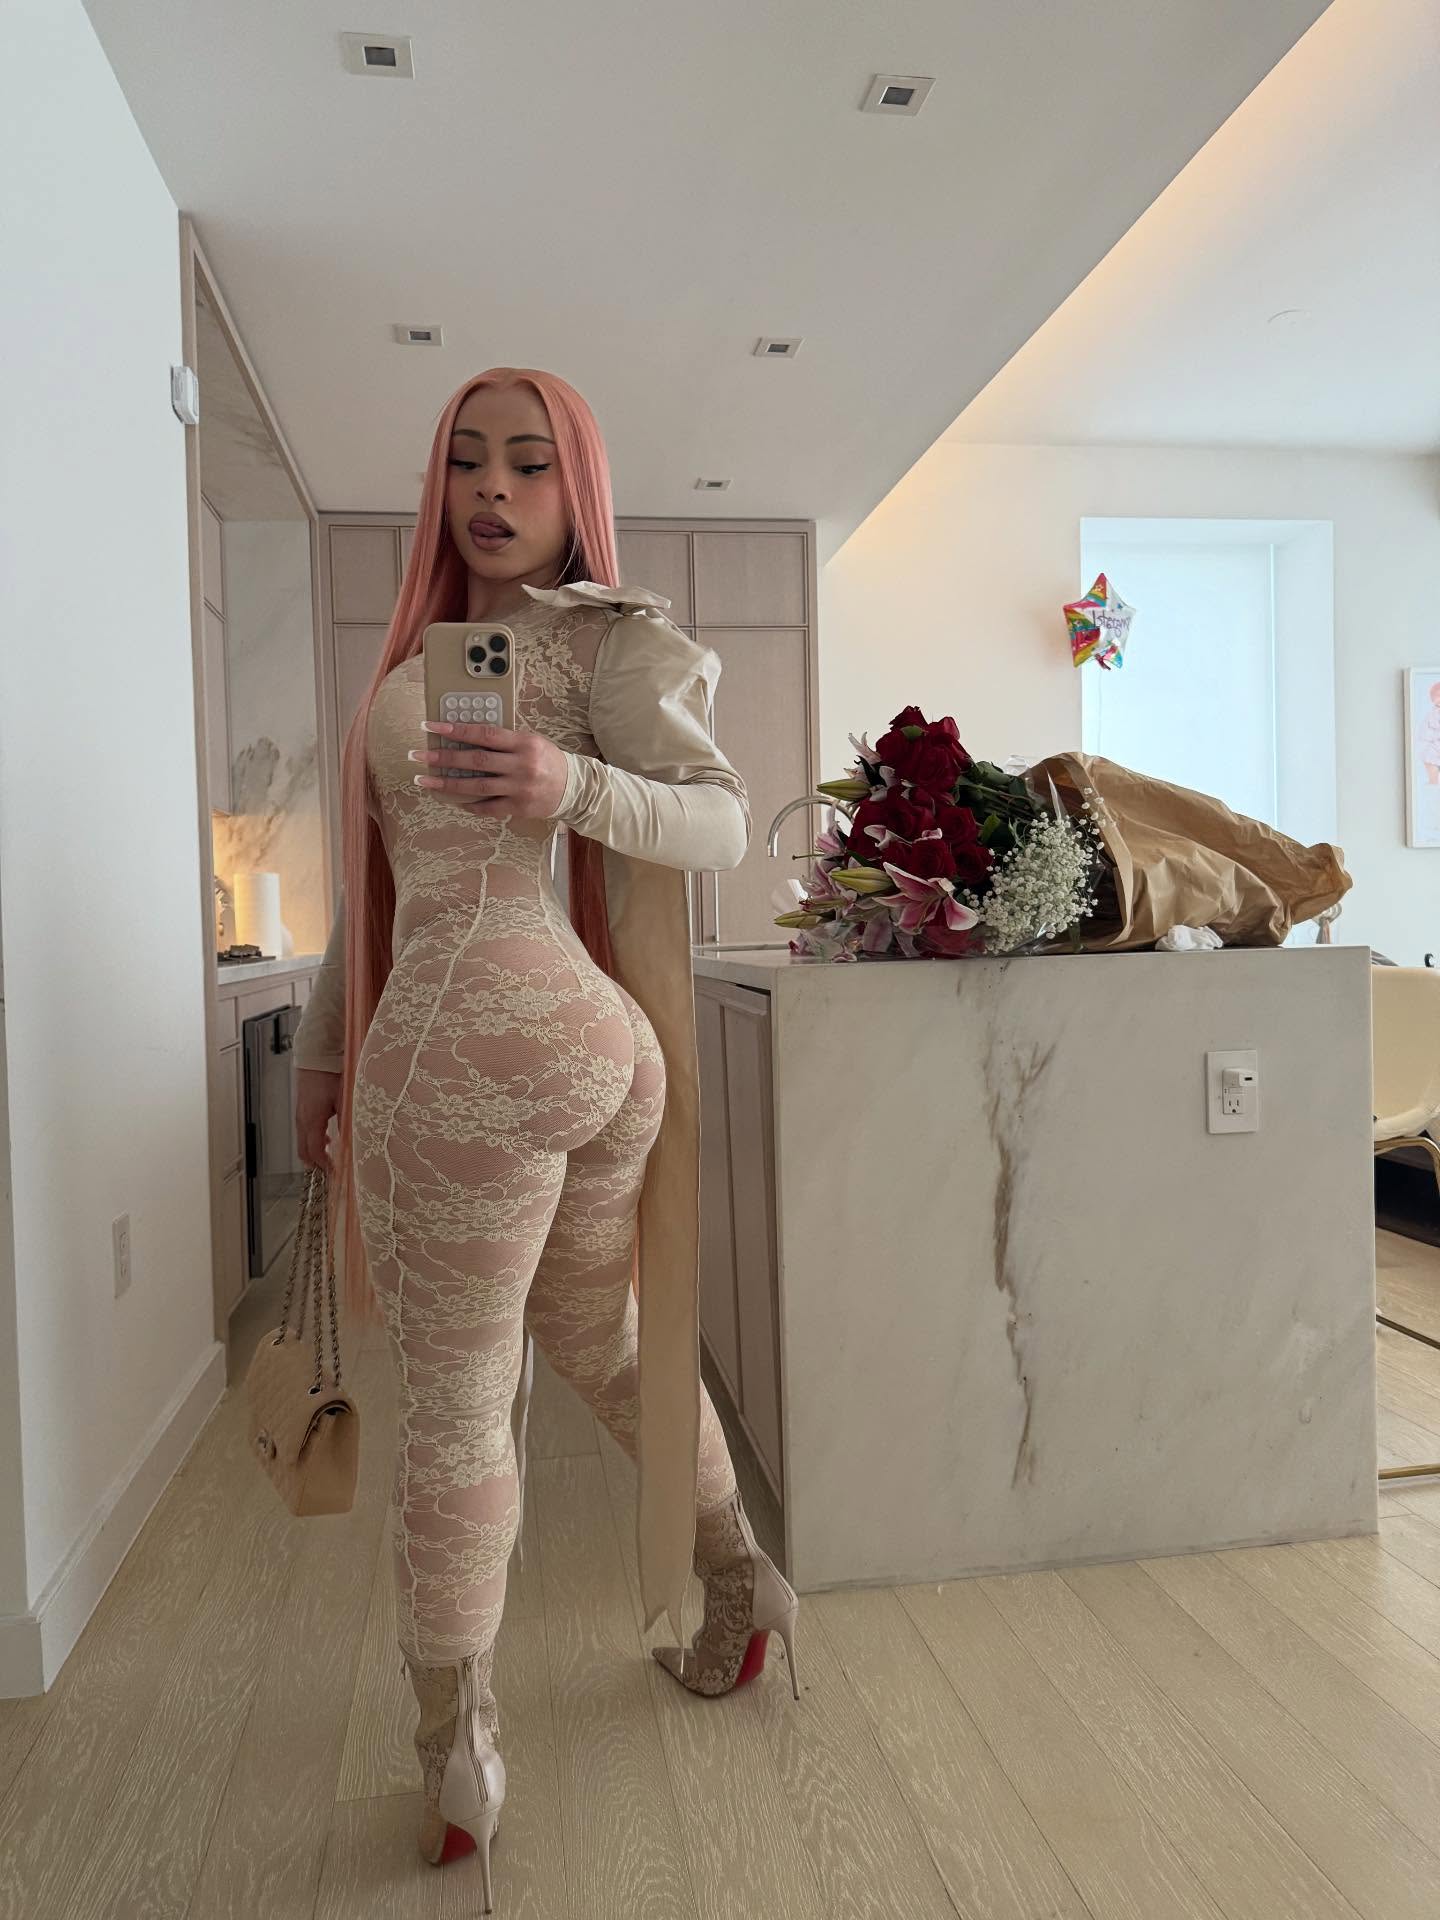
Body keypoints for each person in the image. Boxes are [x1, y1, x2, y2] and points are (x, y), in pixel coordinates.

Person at [291, 367, 799, 1906]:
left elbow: (721, 815)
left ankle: (455, 1746)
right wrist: (322, 1052)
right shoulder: (422, 660)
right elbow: (377, 895)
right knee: (602, 1339)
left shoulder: (598, 638)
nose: (492, 492)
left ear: (579, 489)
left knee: (454, 1402)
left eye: (529, 464)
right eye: (466, 463)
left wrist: (564, 780)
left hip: (473, 1051)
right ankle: (738, 1583)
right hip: (588, 1051)